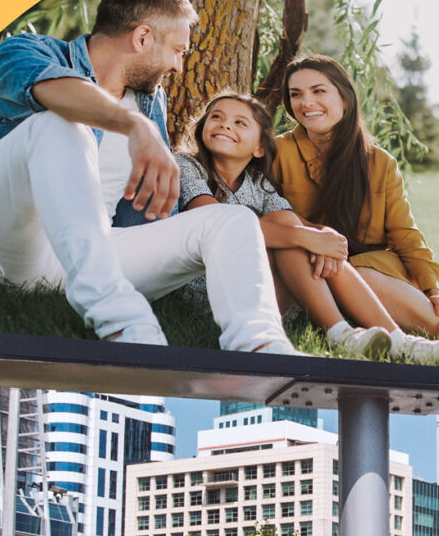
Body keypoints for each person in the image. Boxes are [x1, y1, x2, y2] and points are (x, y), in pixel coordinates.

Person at [0, 0, 293, 354]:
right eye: (178, 50)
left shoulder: (150, 100)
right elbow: (54, 88)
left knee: (234, 219)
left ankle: (264, 347)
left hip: (70, 263)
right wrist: (135, 126)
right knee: (59, 122)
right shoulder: (23, 51)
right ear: (142, 37)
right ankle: (122, 321)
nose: (180, 67)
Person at [173, 90, 405, 360]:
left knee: (287, 223)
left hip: (261, 290)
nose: (225, 124)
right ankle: (340, 332)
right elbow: (215, 221)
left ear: (259, 147)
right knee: (290, 234)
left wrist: (322, 234)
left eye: (240, 123)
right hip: (209, 289)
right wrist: (304, 238)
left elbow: (298, 225)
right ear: (202, 129)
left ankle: (398, 338)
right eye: (216, 117)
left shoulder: (258, 184)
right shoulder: (187, 166)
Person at [270, 57, 439, 365]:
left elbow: (404, 234)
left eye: (319, 91)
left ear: (344, 98)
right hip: (308, 267)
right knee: (332, 267)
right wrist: (317, 239)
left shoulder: (380, 162)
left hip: (369, 270)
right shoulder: (278, 152)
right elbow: (272, 215)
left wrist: (432, 289)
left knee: (362, 272)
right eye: (296, 94)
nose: (306, 102)